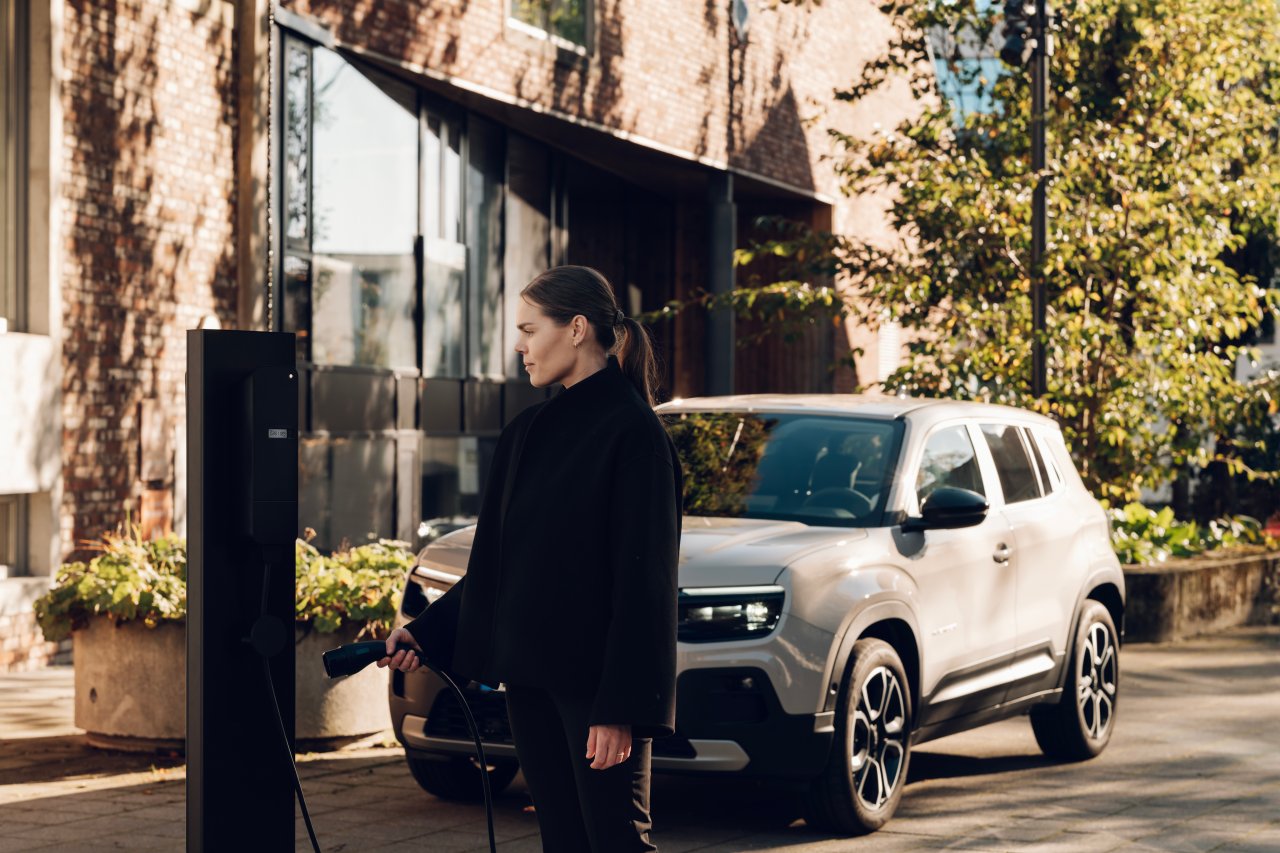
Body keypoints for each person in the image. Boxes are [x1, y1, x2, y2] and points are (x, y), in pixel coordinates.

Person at [378, 265, 684, 853]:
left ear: (575, 329)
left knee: (616, 841)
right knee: (563, 841)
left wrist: (619, 709)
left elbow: (644, 587)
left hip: (596, 692)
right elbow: (498, 567)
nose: (518, 346)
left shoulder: (635, 436)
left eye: (528, 328)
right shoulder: (527, 432)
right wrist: (426, 633)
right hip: (531, 682)